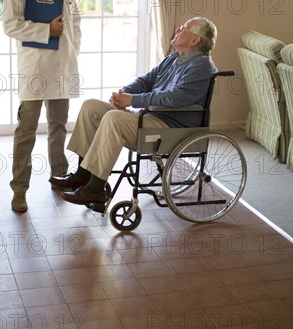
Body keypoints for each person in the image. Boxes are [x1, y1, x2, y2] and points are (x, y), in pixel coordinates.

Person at [49, 16, 217, 206]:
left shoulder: (202, 66)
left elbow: (173, 98)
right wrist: (124, 94)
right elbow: (146, 80)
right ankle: (83, 175)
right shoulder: (174, 58)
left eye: (185, 28)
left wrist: (132, 101)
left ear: (195, 40)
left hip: (171, 127)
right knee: (91, 107)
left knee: (114, 119)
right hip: (150, 118)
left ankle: (95, 189)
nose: (178, 28)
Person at [3, 0, 81, 212]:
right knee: (26, 130)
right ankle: (19, 190)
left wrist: (74, 51)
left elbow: (75, 24)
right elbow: (10, 25)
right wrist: (46, 29)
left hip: (62, 66)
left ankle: (59, 177)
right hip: (35, 68)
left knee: (59, 126)